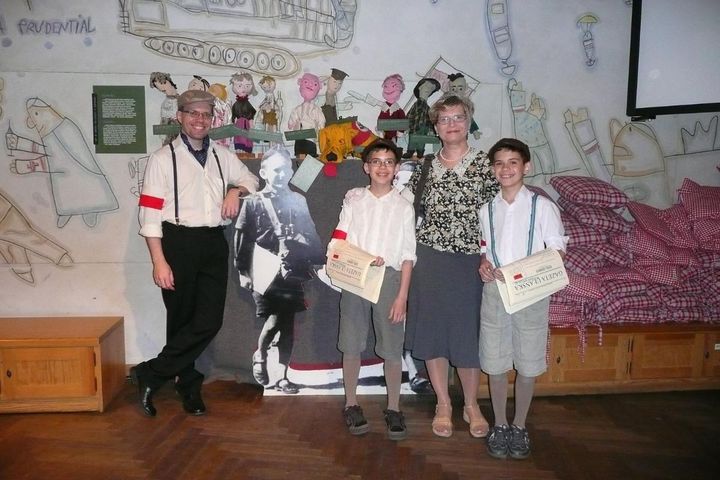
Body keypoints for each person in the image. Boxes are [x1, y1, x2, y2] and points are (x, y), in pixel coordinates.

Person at [132, 90, 259, 417]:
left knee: (209, 320)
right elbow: (149, 214)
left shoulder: (221, 155)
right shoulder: (162, 159)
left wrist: (235, 190)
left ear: (212, 119)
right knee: (181, 319)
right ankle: (187, 383)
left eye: (205, 114)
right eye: (193, 113)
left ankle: (151, 372)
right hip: (177, 242)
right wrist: (159, 261)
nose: (200, 120)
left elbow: (251, 179)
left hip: (213, 242)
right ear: (180, 117)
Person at [402, 93, 499, 438]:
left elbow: (499, 216)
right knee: (433, 332)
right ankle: (443, 403)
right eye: (444, 119)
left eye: (458, 117)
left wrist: (490, 255)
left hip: (472, 262)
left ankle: (471, 405)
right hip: (430, 259)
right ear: (436, 127)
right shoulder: (425, 167)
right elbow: (402, 210)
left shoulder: (487, 165)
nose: (452, 124)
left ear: (468, 122)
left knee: (466, 334)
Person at [478, 138, 567, 460]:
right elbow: (486, 248)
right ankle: (500, 424)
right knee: (495, 359)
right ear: (493, 169)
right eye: (499, 163)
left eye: (513, 162)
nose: (506, 169)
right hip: (495, 292)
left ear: (526, 166)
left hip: (531, 293)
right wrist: (484, 264)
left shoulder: (542, 207)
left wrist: (524, 273)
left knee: (528, 361)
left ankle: (519, 424)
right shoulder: (486, 209)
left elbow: (557, 250)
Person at [329, 139, 416, 440]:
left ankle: (393, 407)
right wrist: (355, 259)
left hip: (389, 279)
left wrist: (402, 296)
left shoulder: (404, 206)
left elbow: (408, 255)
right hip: (356, 275)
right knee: (351, 341)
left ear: (397, 168)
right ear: (366, 167)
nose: (382, 167)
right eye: (376, 161)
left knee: (392, 346)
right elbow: (339, 237)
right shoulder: (354, 199)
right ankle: (351, 403)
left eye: (389, 162)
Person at [234, 145, 324, 394]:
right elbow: (242, 239)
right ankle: (261, 354)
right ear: (263, 172)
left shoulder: (298, 200)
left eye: (286, 170)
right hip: (263, 268)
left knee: (288, 323)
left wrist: (316, 257)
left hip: (290, 269)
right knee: (275, 318)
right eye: (276, 170)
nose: (281, 174)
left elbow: (311, 233)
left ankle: (283, 376)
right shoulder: (253, 202)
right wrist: (243, 272)